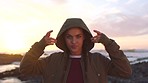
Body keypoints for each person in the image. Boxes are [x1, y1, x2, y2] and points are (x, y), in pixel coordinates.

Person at [20, 18, 132, 83]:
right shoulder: (52, 60)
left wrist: (108, 43)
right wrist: (40, 46)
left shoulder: (98, 60)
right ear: (64, 38)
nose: (74, 41)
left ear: (84, 38)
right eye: (69, 37)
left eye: (78, 36)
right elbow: (25, 69)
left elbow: (126, 72)